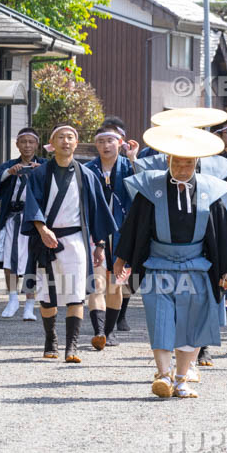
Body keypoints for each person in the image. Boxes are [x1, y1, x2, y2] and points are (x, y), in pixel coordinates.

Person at [114, 125, 227, 398]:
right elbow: (133, 225)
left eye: (189, 163)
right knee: (159, 319)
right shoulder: (151, 189)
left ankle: (182, 379)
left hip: (196, 265)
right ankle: (163, 376)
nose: (183, 168)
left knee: (191, 324)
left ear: (196, 163)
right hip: (158, 265)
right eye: (177, 162)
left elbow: (222, 232)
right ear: (168, 161)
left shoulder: (211, 190)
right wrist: (122, 257)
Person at [22, 125, 115, 363]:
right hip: (46, 240)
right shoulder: (40, 174)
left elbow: (96, 213)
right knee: (47, 294)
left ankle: (71, 346)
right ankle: (50, 339)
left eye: (70, 137)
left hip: (76, 241)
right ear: (52, 143)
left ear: (77, 143)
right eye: (60, 137)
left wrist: (100, 245)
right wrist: (42, 230)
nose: (66, 141)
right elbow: (32, 206)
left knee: (76, 294)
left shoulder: (87, 175)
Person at [84, 118, 140, 349]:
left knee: (115, 286)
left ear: (121, 143)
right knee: (96, 283)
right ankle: (99, 332)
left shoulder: (130, 167)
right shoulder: (87, 170)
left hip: (122, 234)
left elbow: (144, 191)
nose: (106, 146)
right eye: (101, 142)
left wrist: (134, 159)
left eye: (110, 141)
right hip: (95, 234)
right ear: (96, 146)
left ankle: (109, 331)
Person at [0, 127, 43, 320]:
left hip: (34, 222)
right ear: (17, 144)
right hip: (12, 218)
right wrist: (9, 173)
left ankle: (30, 304)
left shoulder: (44, 165)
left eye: (31, 142)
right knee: (9, 260)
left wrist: (41, 173)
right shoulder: (10, 165)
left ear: (37, 144)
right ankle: (12, 299)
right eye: (23, 142)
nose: (27, 145)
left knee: (31, 262)